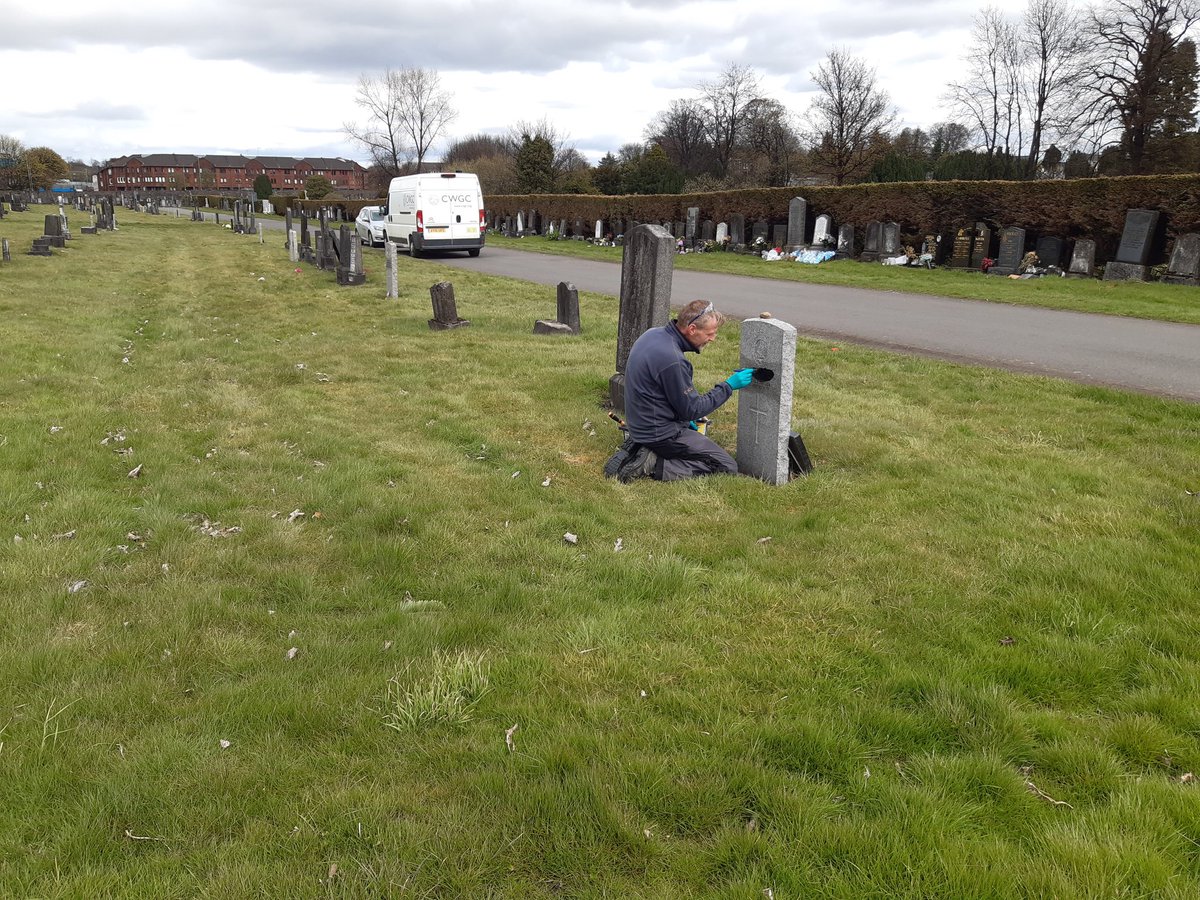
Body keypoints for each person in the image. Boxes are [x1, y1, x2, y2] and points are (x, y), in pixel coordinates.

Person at [608, 299, 754, 482]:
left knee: (695, 436)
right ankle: (654, 464)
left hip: (641, 425)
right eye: (710, 333)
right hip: (660, 434)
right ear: (692, 329)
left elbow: (666, 395)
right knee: (725, 466)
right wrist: (729, 385)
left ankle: (644, 446)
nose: (712, 339)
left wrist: (685, 419)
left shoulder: (653, 334)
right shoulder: (673, 360)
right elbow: (693, 409)